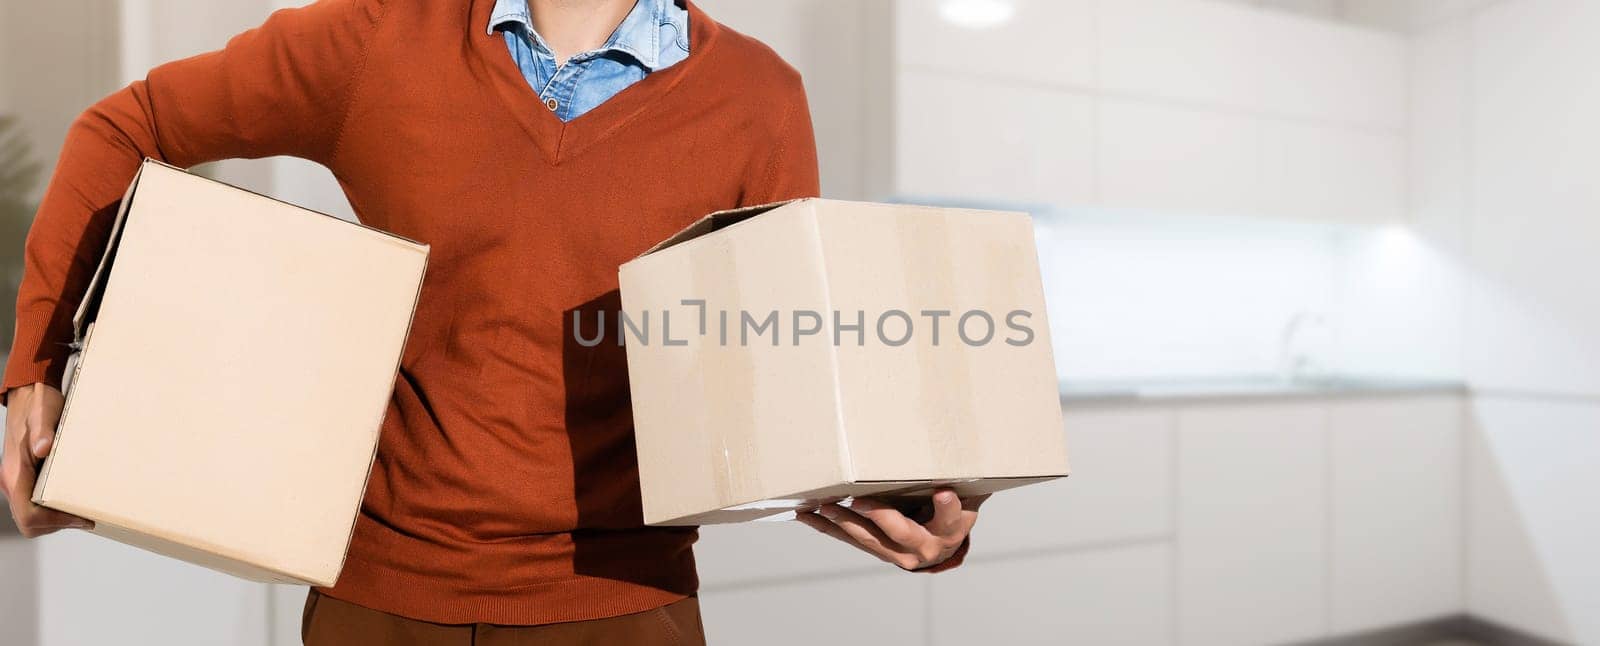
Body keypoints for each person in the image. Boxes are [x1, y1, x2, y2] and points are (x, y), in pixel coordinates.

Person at [0, 1, 985, 643]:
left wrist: (917, 504)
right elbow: (126, 126)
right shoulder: (378, 40)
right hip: (378, 605)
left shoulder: (757, 101)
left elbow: (777, 382)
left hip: (623, 611)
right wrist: (35, 367)